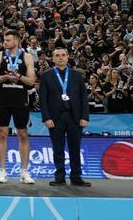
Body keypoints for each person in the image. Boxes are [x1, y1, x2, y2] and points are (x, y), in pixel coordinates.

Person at [39, 48, 91, 187]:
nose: (61, 58)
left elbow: (83, 98)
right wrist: (46, 118)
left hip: (75, 117)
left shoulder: (77, 75)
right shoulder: (46, 76)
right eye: (57, 55)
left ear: (68, 57)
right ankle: (59, 177)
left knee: (75, 148)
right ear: (53, 59)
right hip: (55, 118)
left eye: (63, 55)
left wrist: (85, 116)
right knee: (58, 148)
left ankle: (76, 176)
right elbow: (43, 99)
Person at [0, 30, 36, 184]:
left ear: (16, 41)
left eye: (8, 40)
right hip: (3, 99)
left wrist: (19, 77)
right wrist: (5, 77)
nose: (5, 42)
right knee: (2, 133)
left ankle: (24, 171)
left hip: (20, 99)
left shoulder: (27, 57)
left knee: (22, 134)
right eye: (4, 40)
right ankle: (2, 170)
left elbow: (32, 81)